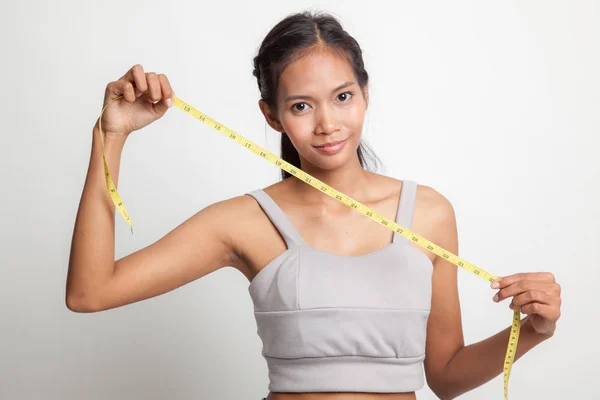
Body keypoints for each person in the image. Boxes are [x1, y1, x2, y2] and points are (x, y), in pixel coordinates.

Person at [66, 10, 562, 400]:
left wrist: (534, 332)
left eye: (342, 96)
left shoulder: (428, 213)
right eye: (302, 105)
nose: (326, 123)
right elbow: (90, 292)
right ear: (273, 115)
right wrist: (110, 136)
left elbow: (446, 377)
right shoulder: (245, 221)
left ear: (365, 94)